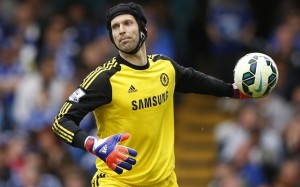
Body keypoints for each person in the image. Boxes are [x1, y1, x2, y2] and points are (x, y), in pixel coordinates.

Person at [52, 2, 248, 186]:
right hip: (117, 181)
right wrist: (93, 144)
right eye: (115, 27)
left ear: (143, 29)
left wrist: (232, 91)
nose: (121, 30)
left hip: (163, 181)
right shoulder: (104, 79)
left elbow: (197, 81)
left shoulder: (165, 67)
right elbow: (61, 121)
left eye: (128, 23)